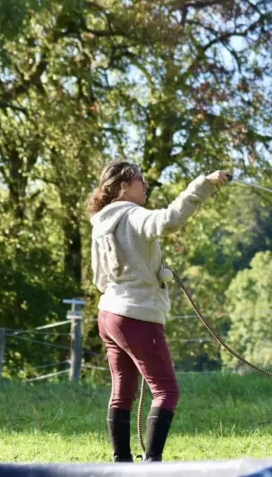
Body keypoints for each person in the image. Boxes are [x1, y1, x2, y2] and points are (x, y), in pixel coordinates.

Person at [87, 161, 230, 462]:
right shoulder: (134, 214)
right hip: (137, 316)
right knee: (166, 391)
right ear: (124, 186)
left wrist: (152, 271)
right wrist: (205, 183)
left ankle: (121, 462)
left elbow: (101, 280)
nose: (146, 184)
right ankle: (152, 464)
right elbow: (169, 221)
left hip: (108, 314)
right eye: (140, 180)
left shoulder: (100, 222)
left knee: (123, 392)